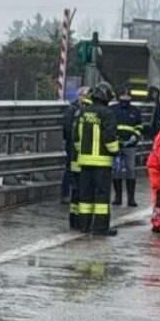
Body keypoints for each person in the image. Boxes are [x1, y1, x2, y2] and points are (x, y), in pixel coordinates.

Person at [75, 81, 121, 236]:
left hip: (84, 162)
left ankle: (84, 226)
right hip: (102, 163)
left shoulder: (83, 112)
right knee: (101, 197)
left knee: (85, 196)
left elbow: (75, 137)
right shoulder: (107, 114)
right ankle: (100, 228)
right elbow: (109, 138)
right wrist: (116, 153)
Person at [111, 84, 143, 207]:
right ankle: (117, 197)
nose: (125, 97)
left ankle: (131, 198)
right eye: (123, 95)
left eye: (127, 95)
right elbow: (110, 126)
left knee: (131, 170)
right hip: (116, 145)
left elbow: (139, 126)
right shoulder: (113, 110)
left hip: (130, 145)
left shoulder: (135, 111)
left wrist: (136, 135)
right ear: (119, 96)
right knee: (116, 170)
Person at [65, 87, 92, 228]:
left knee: (77, 189)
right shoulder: (77, 111)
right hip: (82, 158)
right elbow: (70, 132)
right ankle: (80, 220)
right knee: (80, 189)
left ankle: (76, 219)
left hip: (79, 157)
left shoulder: (79, 112)